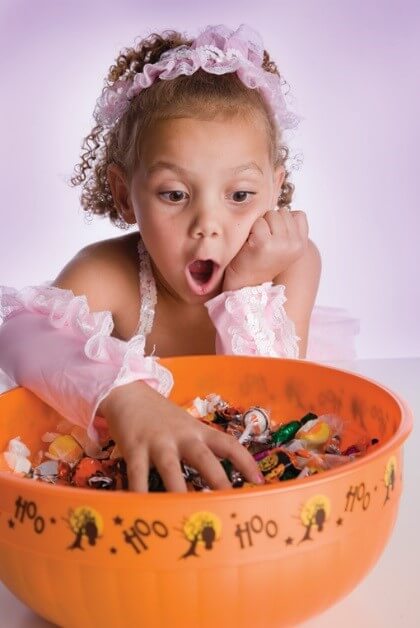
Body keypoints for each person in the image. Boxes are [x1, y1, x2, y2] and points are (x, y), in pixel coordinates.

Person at [0, 23, 359, 493]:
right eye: (174, 194)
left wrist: (247, 286)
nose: (207, 223)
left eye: (240, 194)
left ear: (274, 188)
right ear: (124, 195)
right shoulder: (109, 274)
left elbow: (267, 417)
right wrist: (123, 396)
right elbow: (18, 332)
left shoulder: (291, 263)